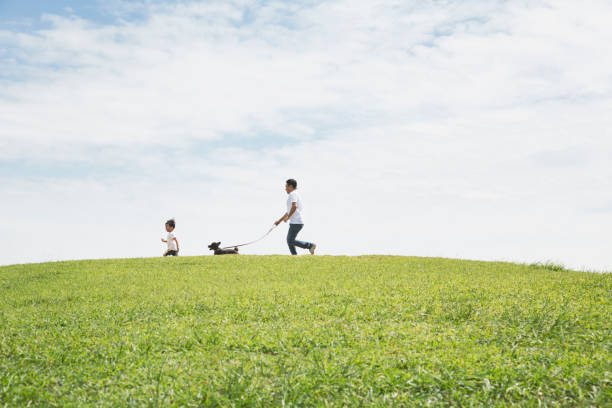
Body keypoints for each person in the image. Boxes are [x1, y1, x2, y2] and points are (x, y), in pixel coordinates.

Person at [274, 179, 317, 255]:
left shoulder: (292, 194)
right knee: (290, 240)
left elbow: (294, 206)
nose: (285, 188)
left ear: (290, 186)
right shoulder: (294, 194)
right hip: (296, 222)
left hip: (296, 222)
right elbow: (288, 211)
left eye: (286, 186)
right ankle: (294, 256)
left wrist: (288, 218)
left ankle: (310, 245)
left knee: (290, 240)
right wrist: (279, 221)